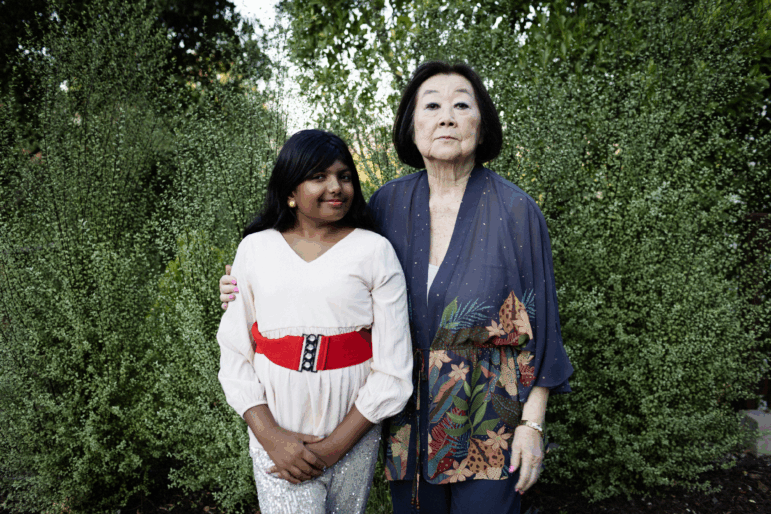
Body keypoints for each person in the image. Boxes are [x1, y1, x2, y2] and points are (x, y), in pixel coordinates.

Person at [220, 62, 573, 514]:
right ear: (412, 126)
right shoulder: (388, 203)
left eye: (461, 105)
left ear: (482, 125)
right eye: (433, 106)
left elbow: (543, 331)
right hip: (405, 420)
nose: (447, 118)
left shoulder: (516, 211)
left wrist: (532, 425)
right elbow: (328, 268)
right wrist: (245, 285)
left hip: (489, 419)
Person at [216, 129, 413, 514]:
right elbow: (235, 351)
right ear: (290, 190)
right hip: (277, 432)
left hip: (353, 430)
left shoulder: (375, 251)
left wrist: (333, 448)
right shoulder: (255, 249)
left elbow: (393, 367)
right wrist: (271, 437)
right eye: (319, 176)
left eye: (344, 176)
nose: (336, 187)